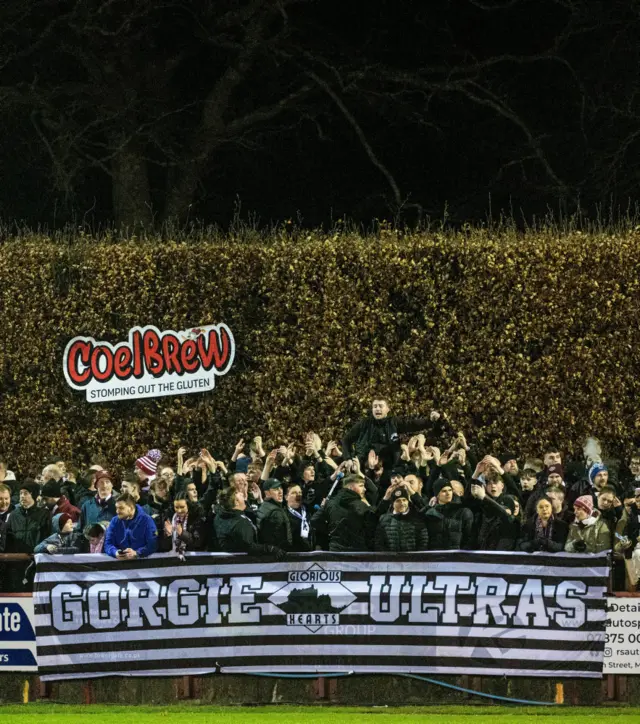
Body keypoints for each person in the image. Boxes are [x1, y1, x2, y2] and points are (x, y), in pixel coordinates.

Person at [342, 398, 446, 469]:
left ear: (387, 409)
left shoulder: (393, 422)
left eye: (380, 406)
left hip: (390, 467)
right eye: (375, 406)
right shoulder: (364, 423)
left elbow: (411, 424)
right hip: (365, 466)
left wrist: (430, 421)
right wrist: (348, 459)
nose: (377, 409)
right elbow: (346, 440)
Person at [311, 474, 377, 551]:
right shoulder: (360, 505)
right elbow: (374, 522)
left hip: (335, 551)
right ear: (350, 487)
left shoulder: (330, 503)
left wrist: (330, 529)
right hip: (356, 552)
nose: (365, 489)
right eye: (361, 485)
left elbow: (314, 520)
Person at [213, 487, 285, 557]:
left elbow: (250, 513)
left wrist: (258, 500)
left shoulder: (221, 515)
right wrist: (270, 549)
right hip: (242, 563)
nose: (242, 494)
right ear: (236, 502)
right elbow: (249, 547)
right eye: (239, 494)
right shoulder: (240, 522)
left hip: (226, 561)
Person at [104, 492, 158, 559]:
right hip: (120, 564)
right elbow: (108, 544)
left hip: (142, 564)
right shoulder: (114, 521)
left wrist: (137, 553)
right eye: (116, 508)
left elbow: (152, 545)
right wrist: (115, 552)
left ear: (131, 508)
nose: (117, 511)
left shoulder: (147, 520)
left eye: (121, 508)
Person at [424, 478, 474, 549]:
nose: (448, 493)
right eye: (444, 491)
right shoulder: (430, 513)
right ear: (437, 495)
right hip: (436, 556)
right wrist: (428, 506)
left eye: (450, 490)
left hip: (457, 556)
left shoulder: (464, 512)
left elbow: (469, 538)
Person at [375, 486, 429, 552]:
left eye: (404, 500)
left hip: (413, 560)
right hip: (390, 560)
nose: (402, 503)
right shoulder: (384, 519)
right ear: (392, 503)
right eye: (398, 501)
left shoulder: (416, 518)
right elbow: (379, 542)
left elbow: (423, 542)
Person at [6, 481, 50, 553]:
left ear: (34, 495)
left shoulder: (44, 514)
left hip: (36, 557)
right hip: (16, 558)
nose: (22, 496)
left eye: (26, 493)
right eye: (21, 493)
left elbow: (47, 538)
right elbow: (9, 539)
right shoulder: (13, 514)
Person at [257, 479, 292, 549]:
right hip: (278, 555)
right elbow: (279, 540)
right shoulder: (276, 512)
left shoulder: (264, 505)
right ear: (267, 493)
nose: (280, 492)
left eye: (281, 488)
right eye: (276, 489)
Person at [285, 484, 313, 551]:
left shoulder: (308, 511)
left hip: (310, 554)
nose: (298, 495)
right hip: (292, 555)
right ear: (286, 497)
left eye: (300, 492)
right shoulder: (283, 514)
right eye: (294, 493)